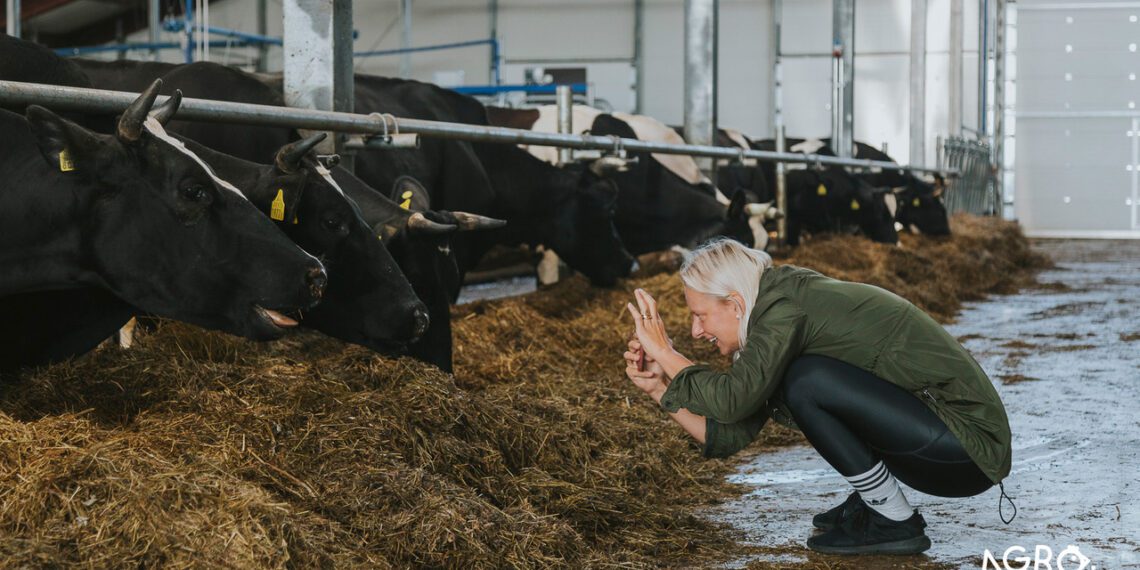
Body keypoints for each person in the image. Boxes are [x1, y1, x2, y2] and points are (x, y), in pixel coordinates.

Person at [623, 238, 1013, 555]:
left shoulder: (781, 308)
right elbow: (727, 432)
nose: (695, 331)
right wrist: (659, 387)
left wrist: (665, 353)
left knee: (807, 380)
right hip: (936, 443)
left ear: (736, 304)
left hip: (968, 446)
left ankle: (893, 519)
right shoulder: (769, 315)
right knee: (803, 378)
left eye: (700, 315)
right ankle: (875, 500)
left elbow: (731, 400)